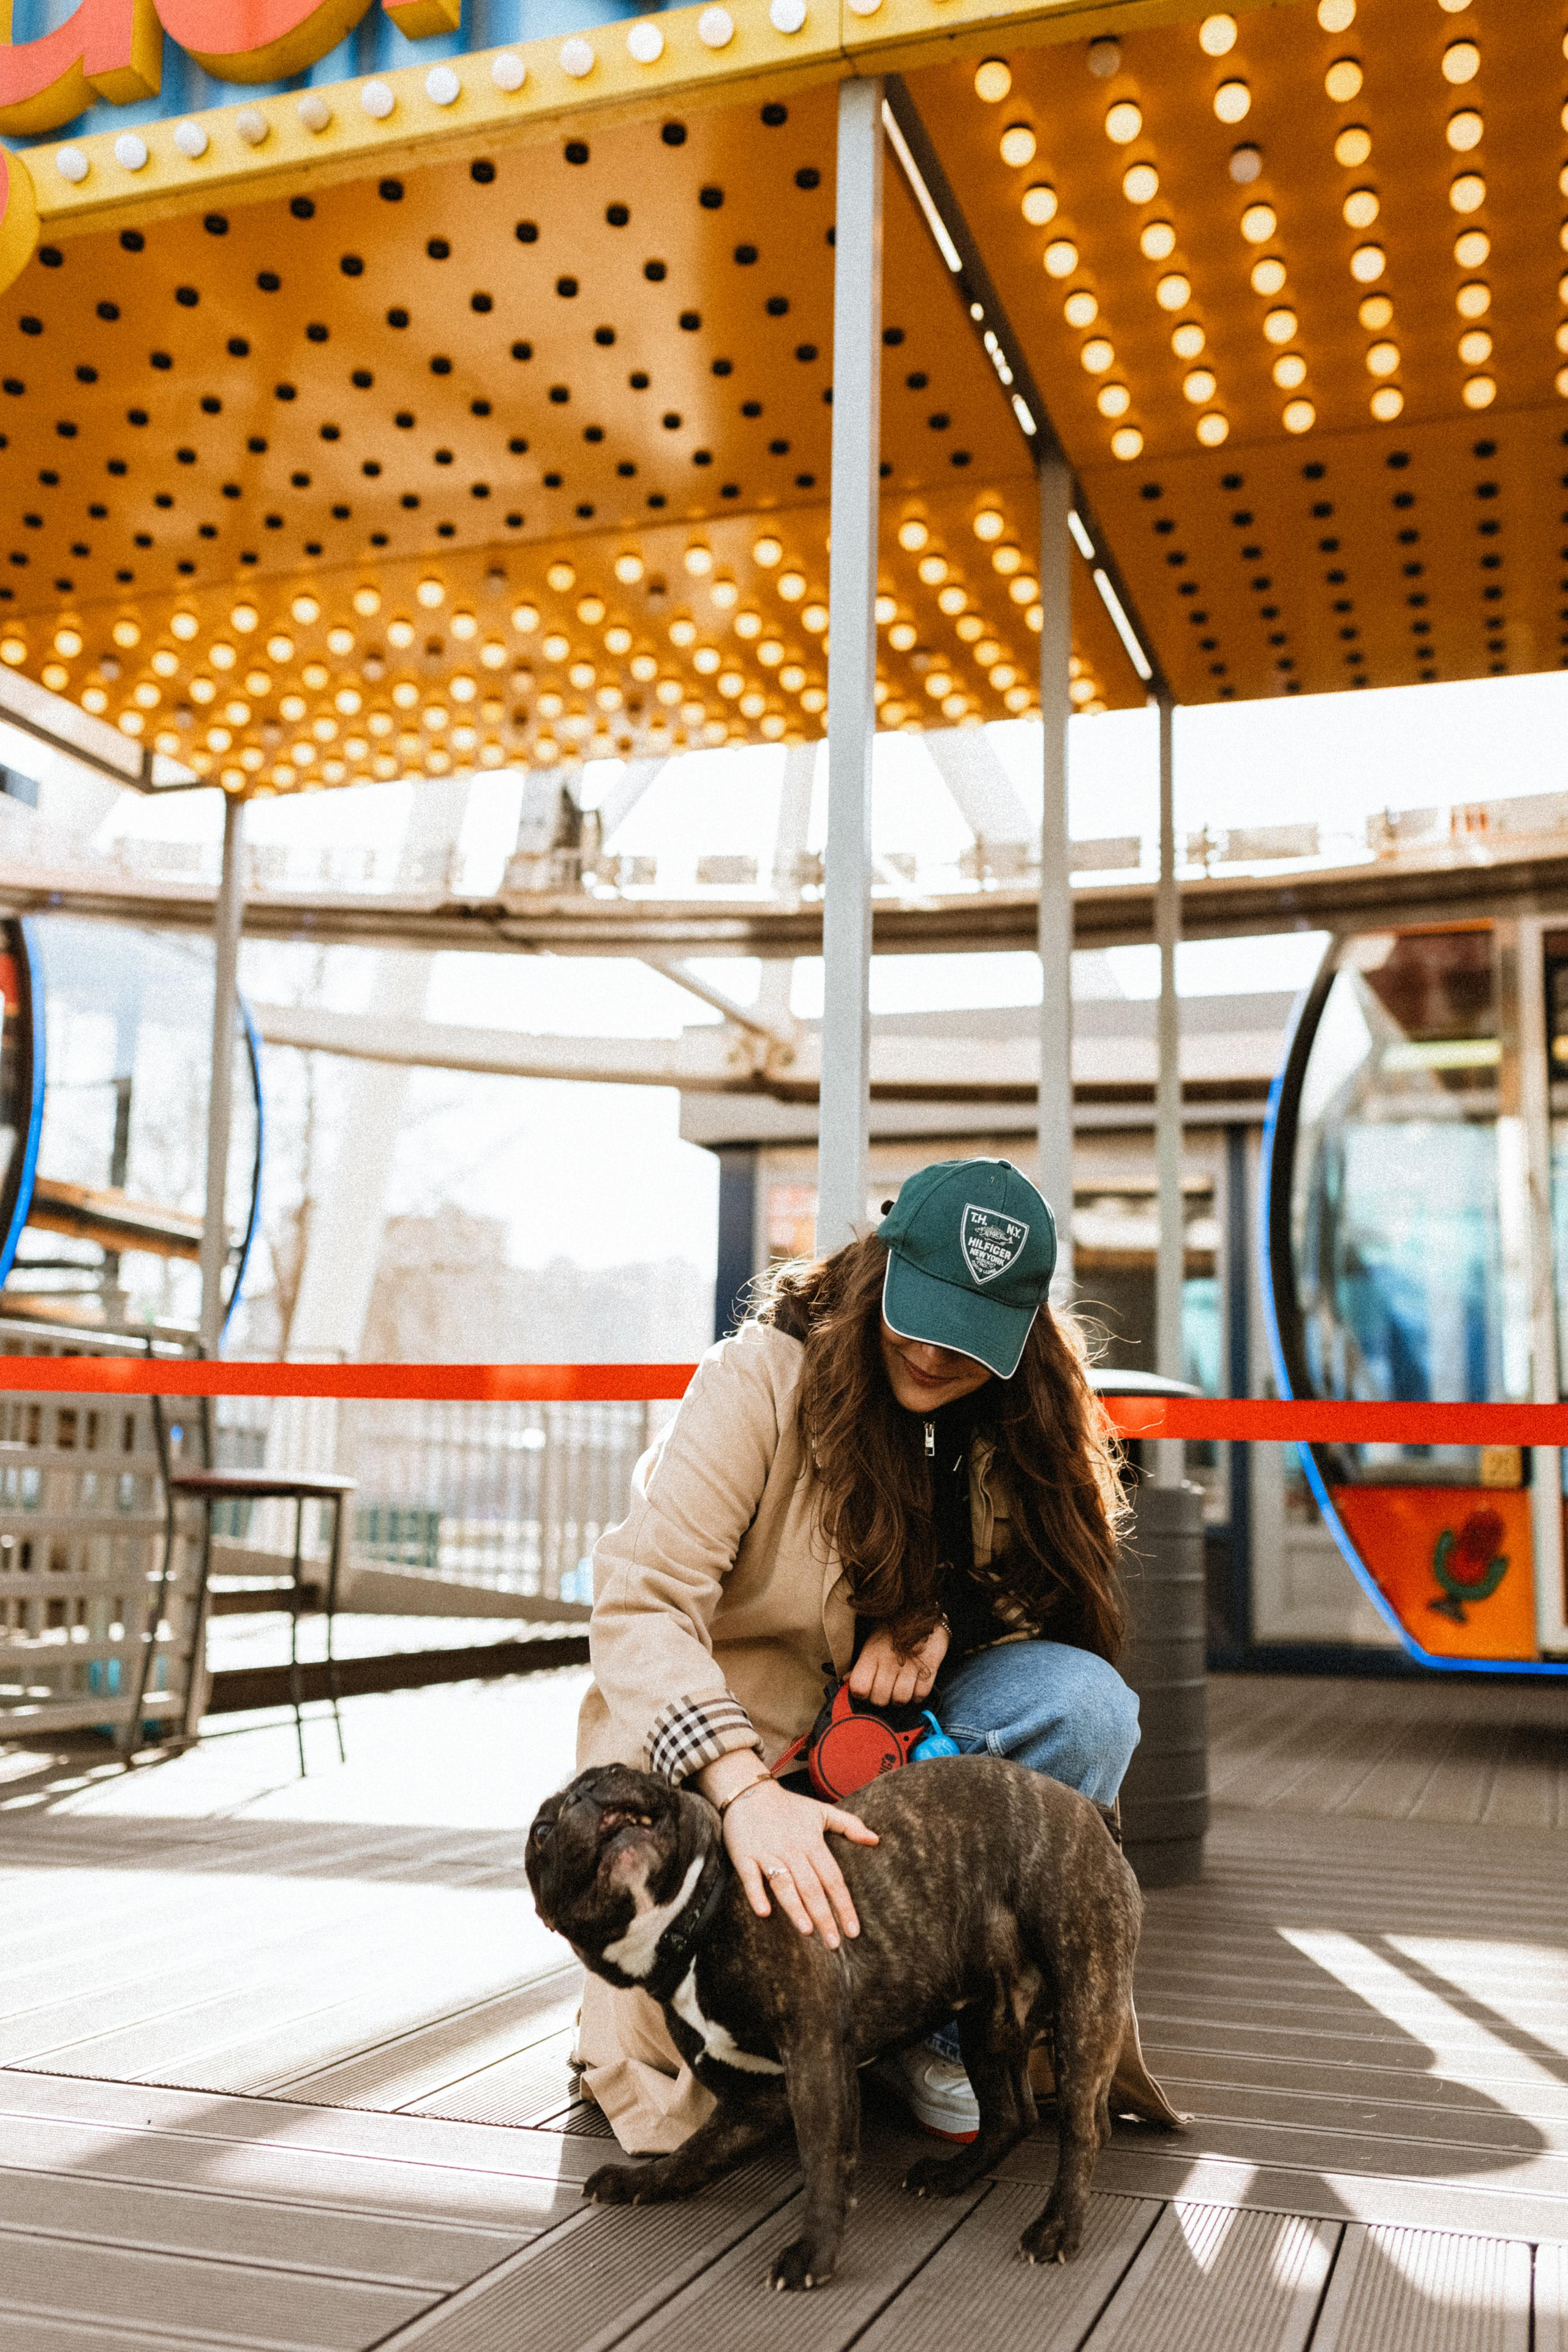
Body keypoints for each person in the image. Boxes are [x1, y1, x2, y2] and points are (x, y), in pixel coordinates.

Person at [575, 1156, 1144, 2148]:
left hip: (884, 1764)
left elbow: (1044, 1606)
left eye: (967, 1338)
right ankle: (838, 2007)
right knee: (716, 2073)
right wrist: (745, 1793)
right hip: (733, 1761)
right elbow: (642, 1604)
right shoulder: (757, 1378)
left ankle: (936, 2021)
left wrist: (935, 1621)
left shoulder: (1019, 1414)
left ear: (1019, 1337)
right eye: (917, 1315)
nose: (931, 1356)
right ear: (879, 1267)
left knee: (1088, 1704)